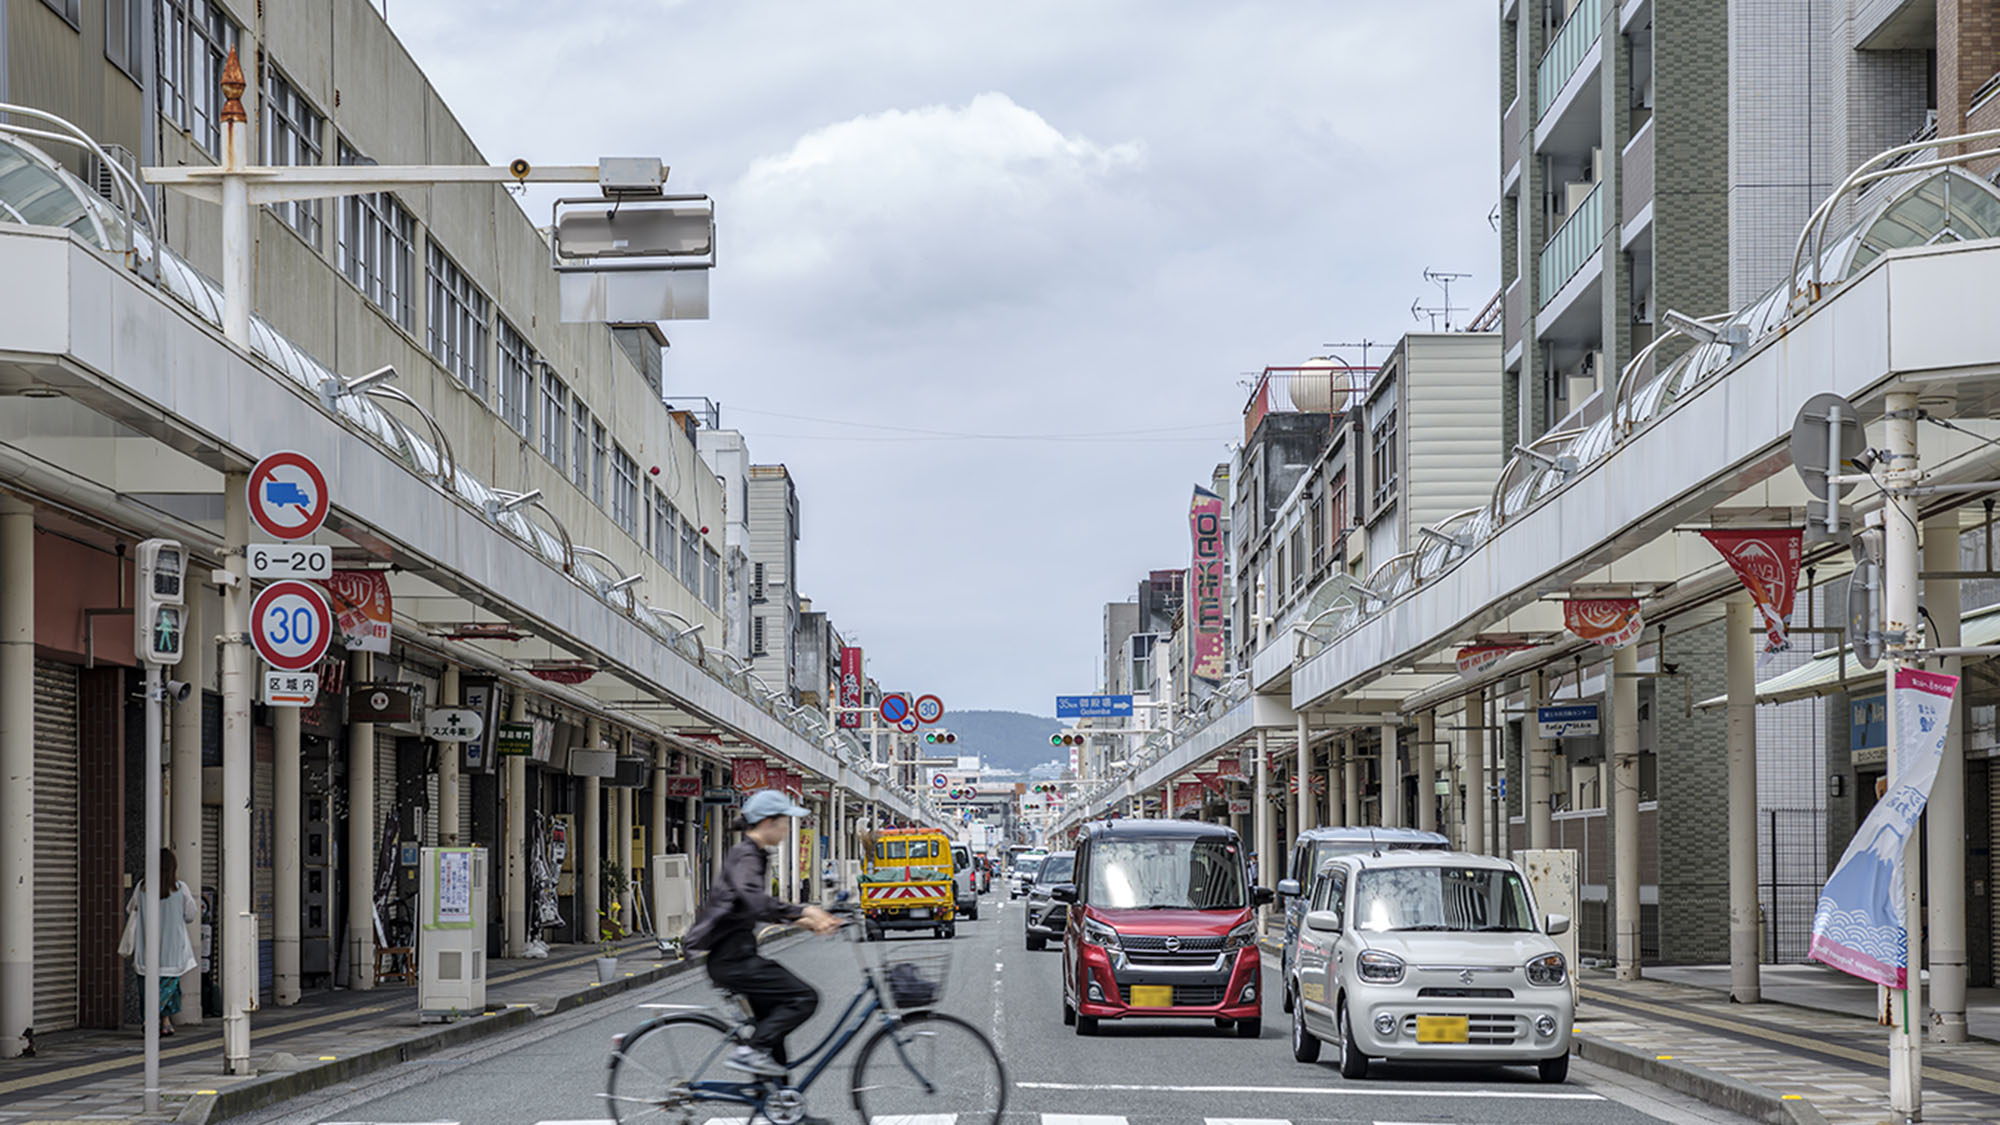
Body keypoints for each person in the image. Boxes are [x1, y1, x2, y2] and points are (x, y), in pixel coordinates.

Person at [683, 789, 840, 1076]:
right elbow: (754, 900)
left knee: (772, 1029)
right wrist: (805, 911)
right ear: (768, 822)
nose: (787, 829)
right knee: (804, 998)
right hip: (734, 960)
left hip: (736, 957)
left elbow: (752, 907)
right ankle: (750, 1051)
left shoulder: (752, 854)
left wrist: (811, 922)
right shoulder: (747, 855)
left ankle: (778, 1105)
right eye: (784, 822)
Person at [124, 848, 199, 1036]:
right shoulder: (181, 889)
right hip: (172, 951)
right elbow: (190, 915)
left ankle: (162, 1021)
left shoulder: (142, 887)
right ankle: (154, 1020)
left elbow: (130, 909)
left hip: (146, 950)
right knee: (168, 989)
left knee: (147, 989)